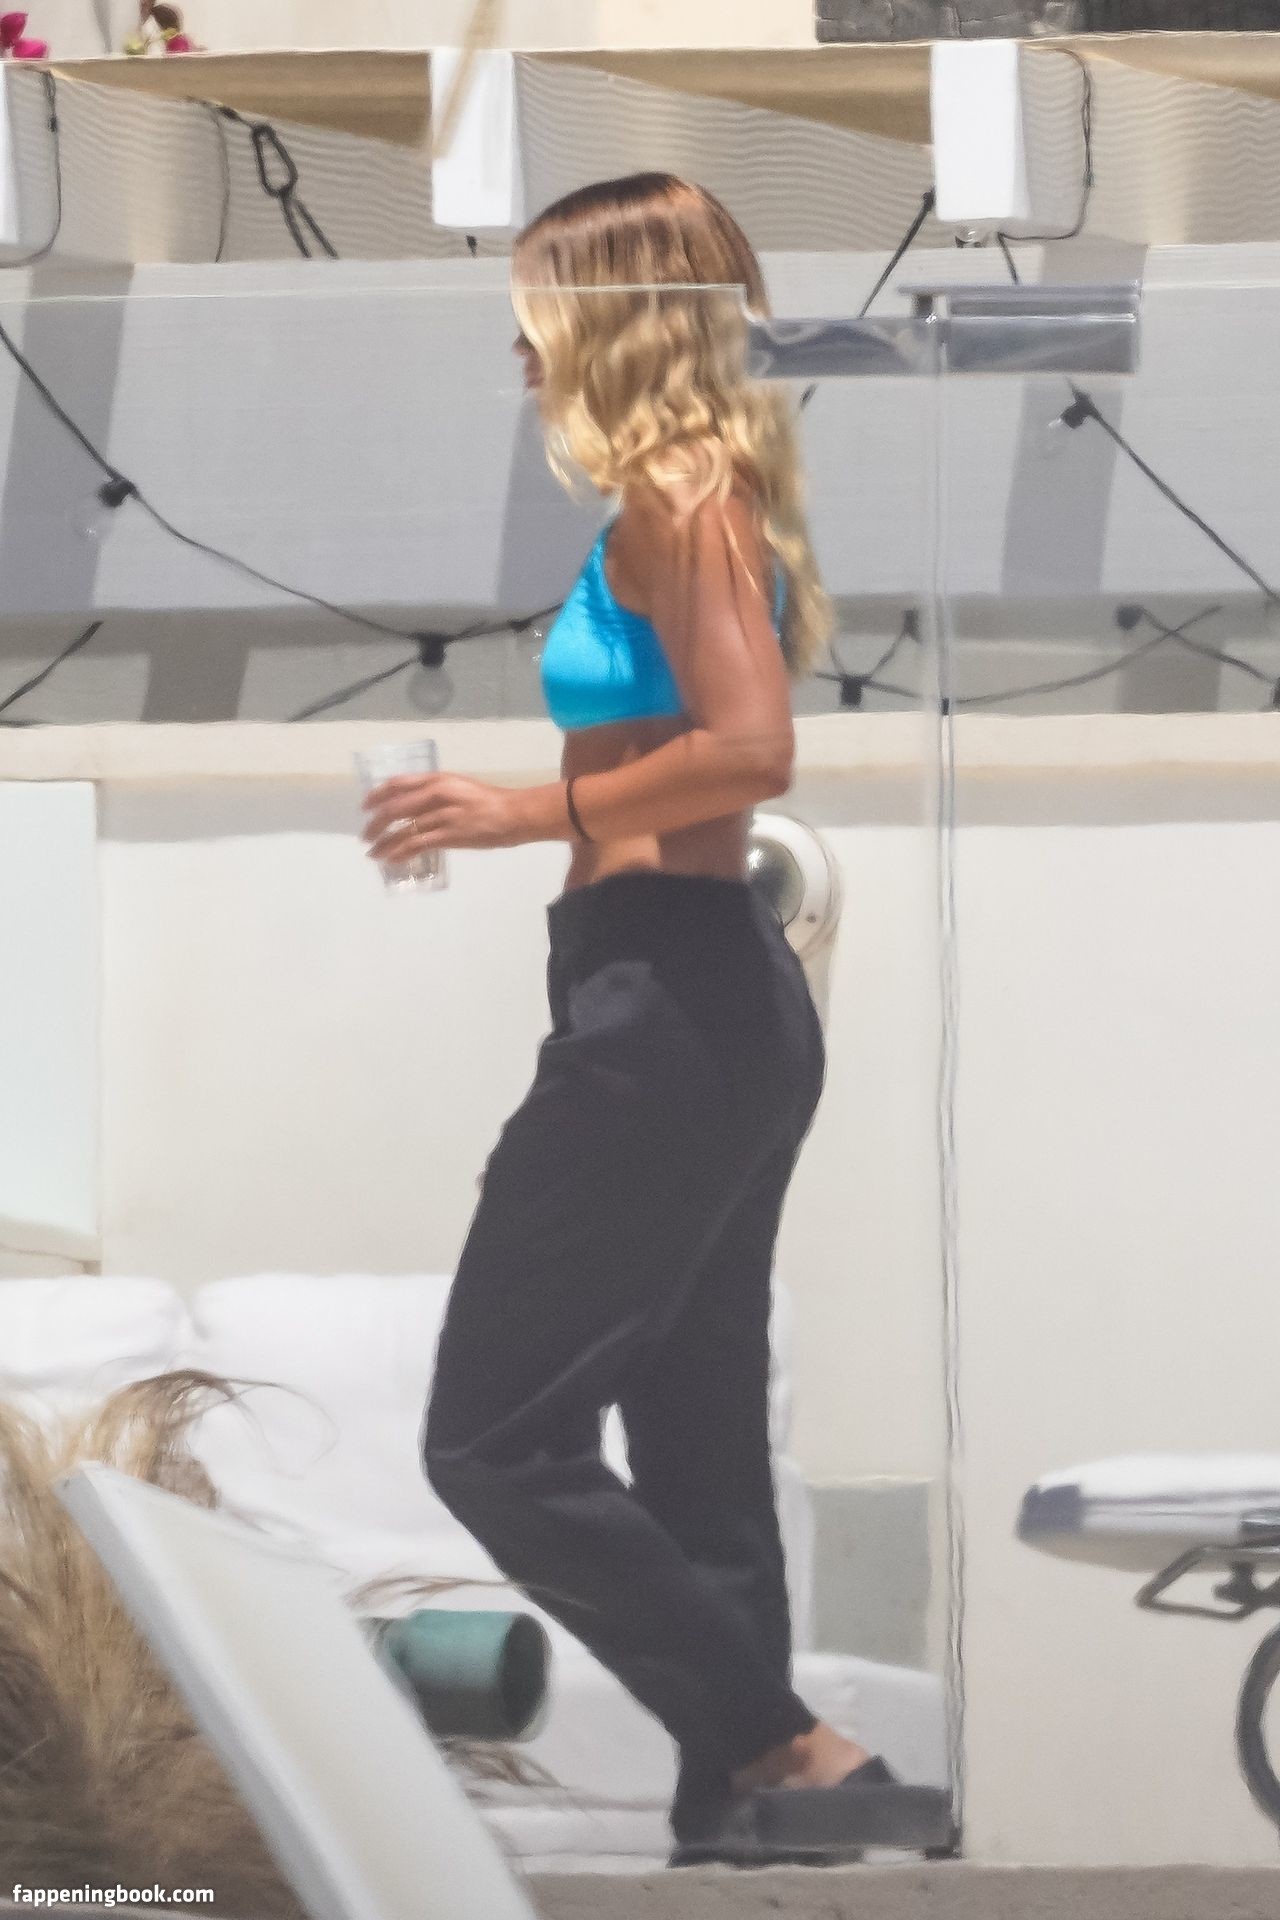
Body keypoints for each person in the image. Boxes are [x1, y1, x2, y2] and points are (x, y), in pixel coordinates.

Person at [361, 172, 947, 1867]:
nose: (521, 349)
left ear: (613, 318)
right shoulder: (688, 490)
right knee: (694, 1440)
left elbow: (753, 751)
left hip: (667, 1006)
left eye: (537, 314)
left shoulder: (679, 496)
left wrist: (517, 813)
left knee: (493, 1438)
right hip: (690, 993)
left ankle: (789, 1749)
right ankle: (743, 1820)